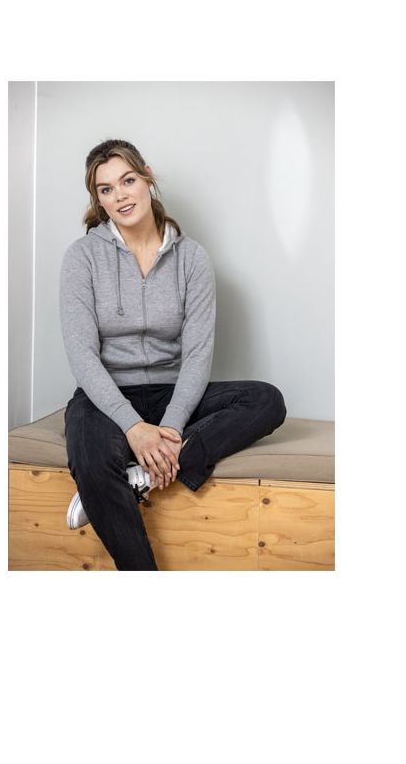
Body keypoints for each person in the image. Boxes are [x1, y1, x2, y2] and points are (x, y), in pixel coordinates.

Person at [59, 139, 287, 570]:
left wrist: (168, 429)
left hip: (170, 391)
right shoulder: (82, 258)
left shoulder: (192, 259)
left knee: (266, 400)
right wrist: (133, 427)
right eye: (106, 189)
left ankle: (143, 476)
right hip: (106, 396)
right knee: (89, 453)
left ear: (147, 177)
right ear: (99, 201)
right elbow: (83, 356)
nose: (120, 195)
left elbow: (198, 355)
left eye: (128, 180)